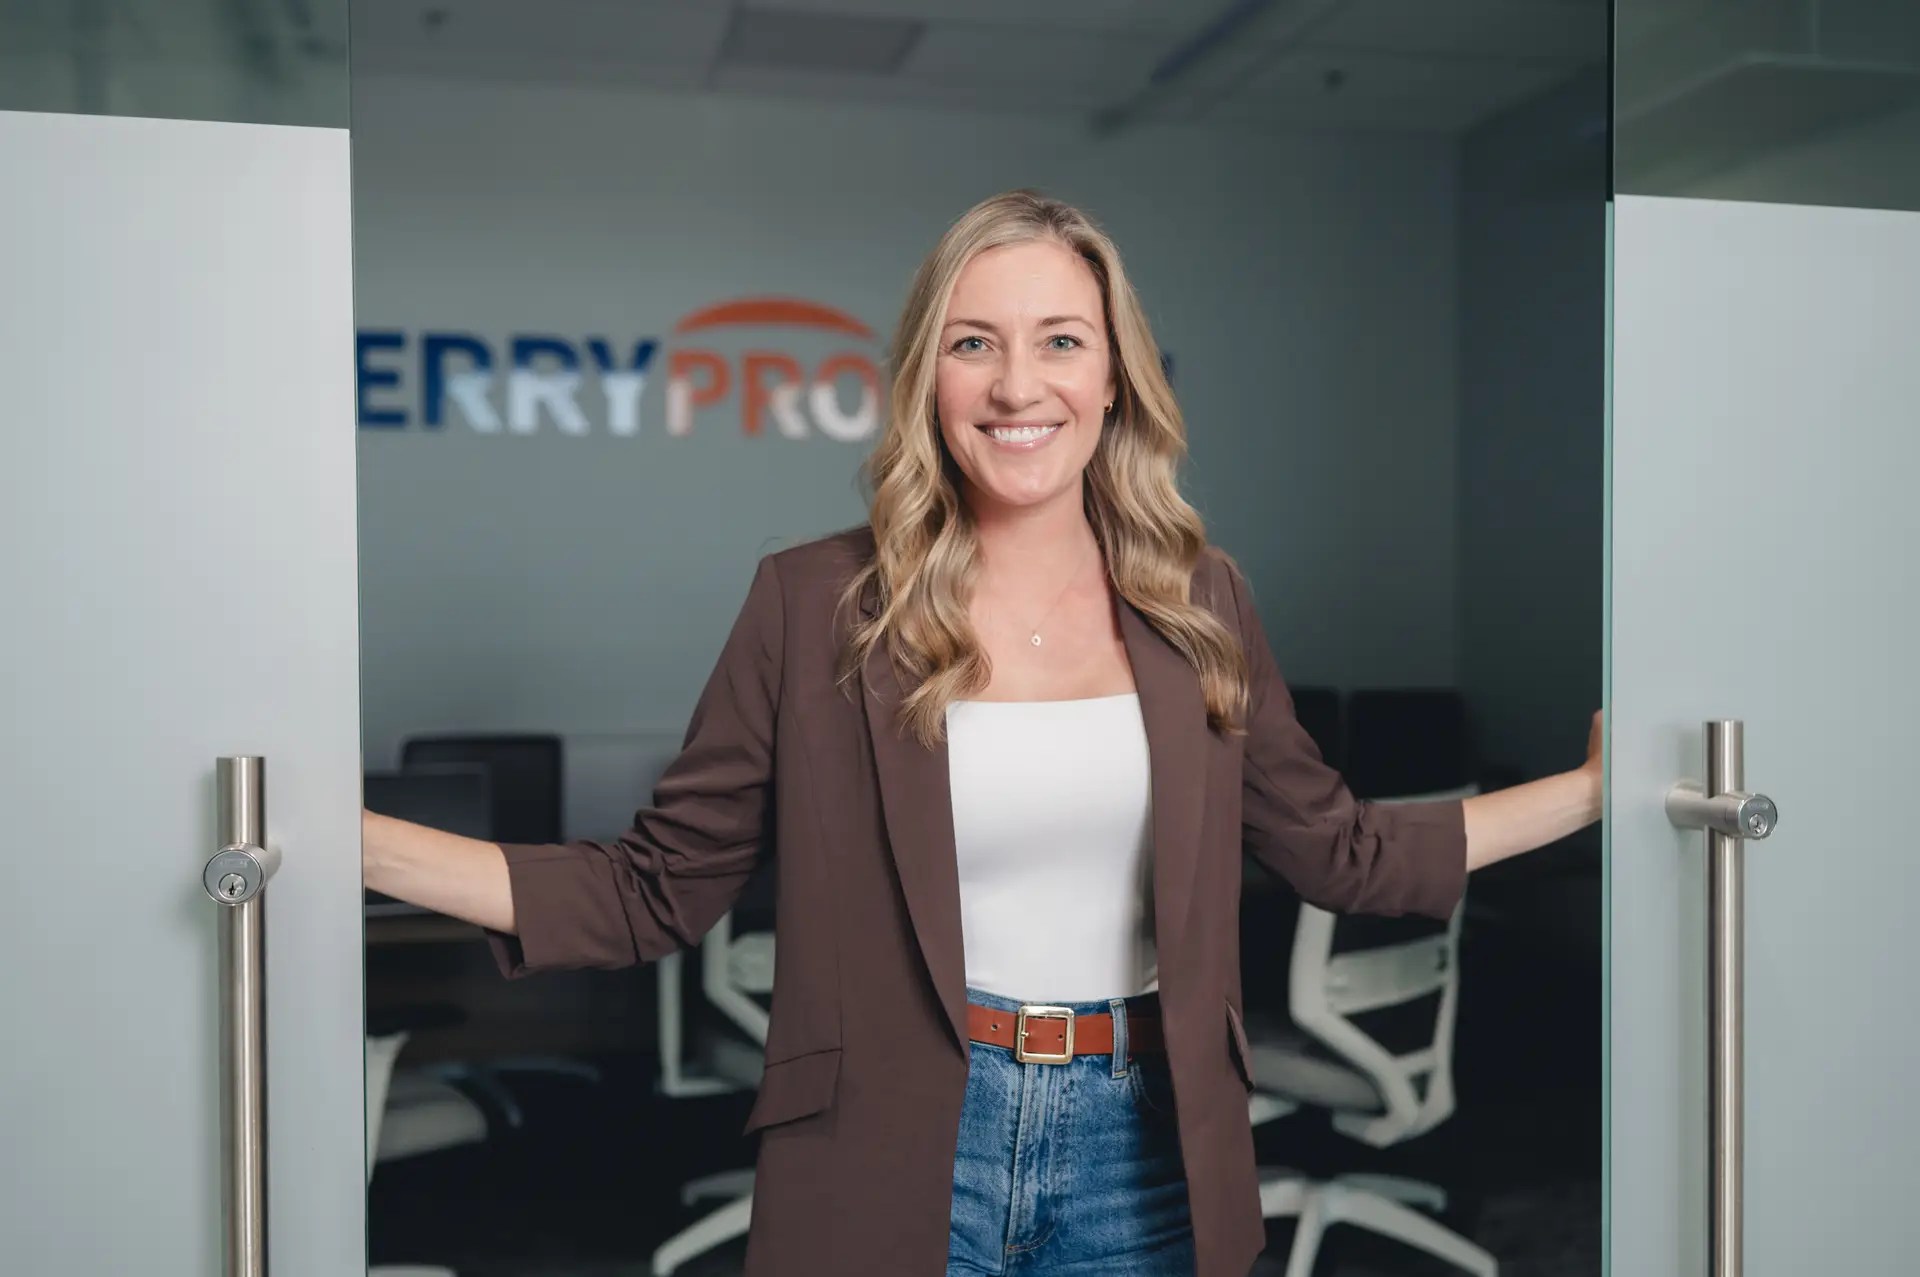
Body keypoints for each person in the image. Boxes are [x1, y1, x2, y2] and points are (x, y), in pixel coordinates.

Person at [363, 190, 1603, 1277]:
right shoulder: (817, 603)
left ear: (1115, 376)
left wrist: (1593, 790)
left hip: (1147, 1138)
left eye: (1060, 341)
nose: (1019, 385)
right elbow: (653, 890)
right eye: (975, 344)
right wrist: (350, 837)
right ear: (927, 377)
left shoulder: (1199, 599)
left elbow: (1345, 852)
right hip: (894, 1138)